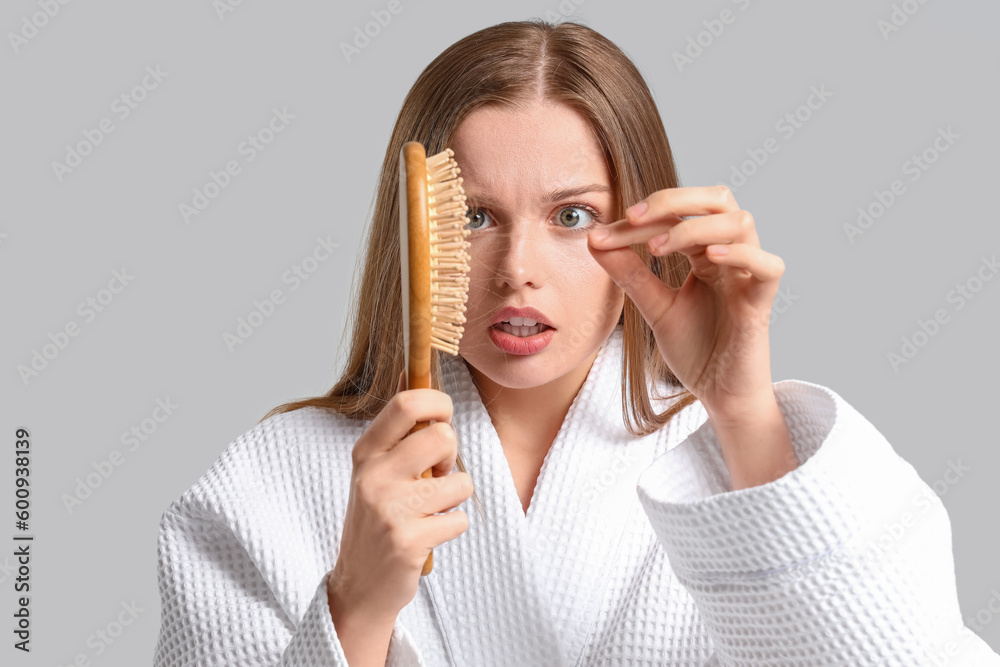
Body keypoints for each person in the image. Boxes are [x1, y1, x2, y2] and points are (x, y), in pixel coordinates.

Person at [152, 20, 1000, 667]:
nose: (518, 269)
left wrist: (741, 412)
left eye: (572, 216)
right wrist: (354, 611)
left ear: (641, 228)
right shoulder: (266, 484)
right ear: (422, 232)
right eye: (476, 217)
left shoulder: (752, 470)